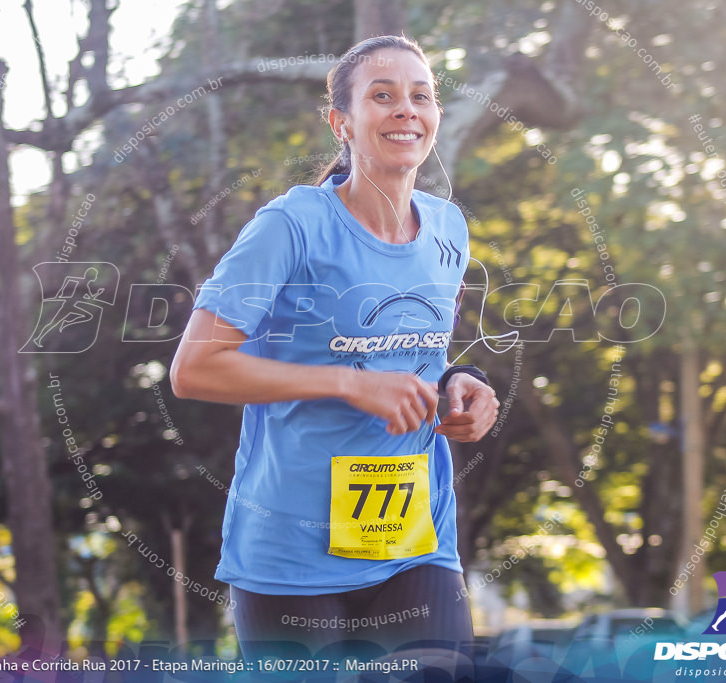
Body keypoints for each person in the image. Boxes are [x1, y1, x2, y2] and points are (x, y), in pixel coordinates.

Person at [170, 35, 498, 661]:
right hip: (291, 551)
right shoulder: (290, 225)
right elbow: (195, 369)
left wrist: (463, 383)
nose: (407, 109)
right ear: (341, 123)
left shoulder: (448, 228)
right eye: (383, 96)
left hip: (414, 545)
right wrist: (347, 383)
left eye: (420, 96)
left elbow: (412, 354)